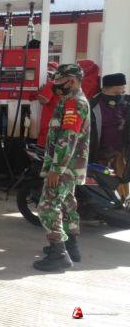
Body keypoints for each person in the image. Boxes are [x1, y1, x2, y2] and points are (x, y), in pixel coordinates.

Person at [34, 64, 90, 272]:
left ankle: (59, 254)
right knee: (67, 205)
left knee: (47, 207)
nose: (55, 85)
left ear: (72, 81)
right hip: (70, 166)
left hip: (64, 167)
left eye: (58, 81)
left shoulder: (74, 103)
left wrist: (56, 169)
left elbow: (68, 138)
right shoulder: (70, 100)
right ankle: (71, 247)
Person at [89, 73, 130, 198]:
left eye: (123, 90)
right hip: (100, 157)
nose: (121, 92)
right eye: (117, 91)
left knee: (122, 188)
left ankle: (122, 203)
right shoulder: (93, 104)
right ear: (108, 89)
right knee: (103, 190)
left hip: (121, 156)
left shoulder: (127, 102)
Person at [36, 62, 61, 147]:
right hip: (57, 122)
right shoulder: (62, 85)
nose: (48, 72)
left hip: (48, 122)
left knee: (44, 146)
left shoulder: (51, 84)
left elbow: (43, 100)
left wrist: (39, 93)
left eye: (50, 69)